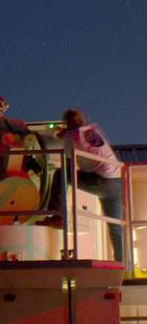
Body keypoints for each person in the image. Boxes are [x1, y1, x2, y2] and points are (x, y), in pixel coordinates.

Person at [61, 108, 124, 261]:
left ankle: (57, 214)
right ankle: (122, 262)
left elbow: (68, 161)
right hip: (116, 179)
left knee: (61, 174)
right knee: (115, 226)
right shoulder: (94, 129)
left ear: (67, 123)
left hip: (101, 179)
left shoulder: (71, 136)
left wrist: (64, 138)